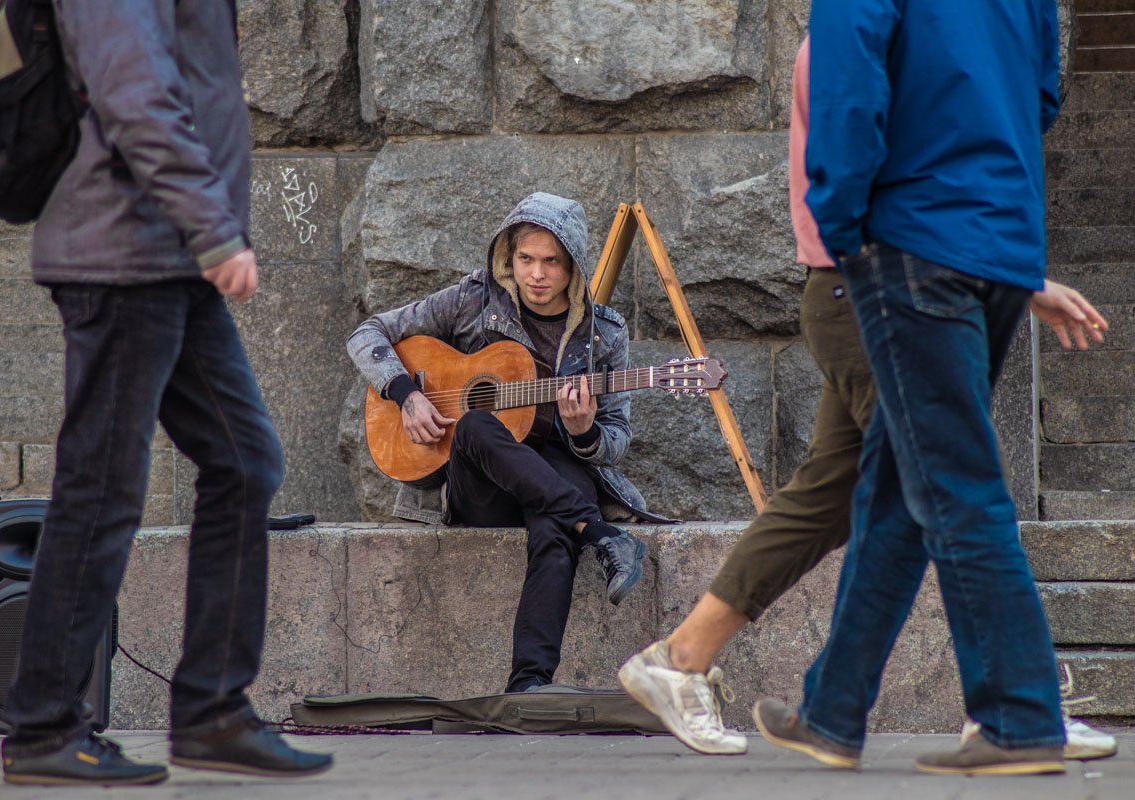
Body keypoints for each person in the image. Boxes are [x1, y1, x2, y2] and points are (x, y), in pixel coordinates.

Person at [619, 30, 1115, 766]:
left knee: (847, 490)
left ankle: (706, 667)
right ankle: (1019, 702)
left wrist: (1011, 270)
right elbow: (879, 144)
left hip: (912, 276)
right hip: (871, 286)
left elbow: (1014, 114)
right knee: (949, 478)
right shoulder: (862, 37)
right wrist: (867, 254)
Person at [745, 0, 1095, 775]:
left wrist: (841, 228)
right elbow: (1043, 92)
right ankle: (833, 711)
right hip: (999, 241)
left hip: (909, 242)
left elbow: (848, 95)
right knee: (901, 485)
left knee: (956, 483)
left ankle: (1019, 717)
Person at [0, 0, 332, 786]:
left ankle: (212, 712)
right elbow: (132, 89)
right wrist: (212, 229)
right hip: (123, 254)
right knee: (102, 487)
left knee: (246, 461)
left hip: (166, 257)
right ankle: (45, 725)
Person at [347, 192, 664, 693]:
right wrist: (405, 393)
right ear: (509, 257)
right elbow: (367, 333)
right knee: (474, 425)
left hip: (556, 465)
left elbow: (618, 438)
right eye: (525, 260)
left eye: (551, 262)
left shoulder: (604, 334)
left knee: (555, 530)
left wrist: (584, 433)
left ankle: (528, 684)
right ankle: (601, 534)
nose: (536, 274)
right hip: (485, 485)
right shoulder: (472, 300)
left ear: (573, 267)